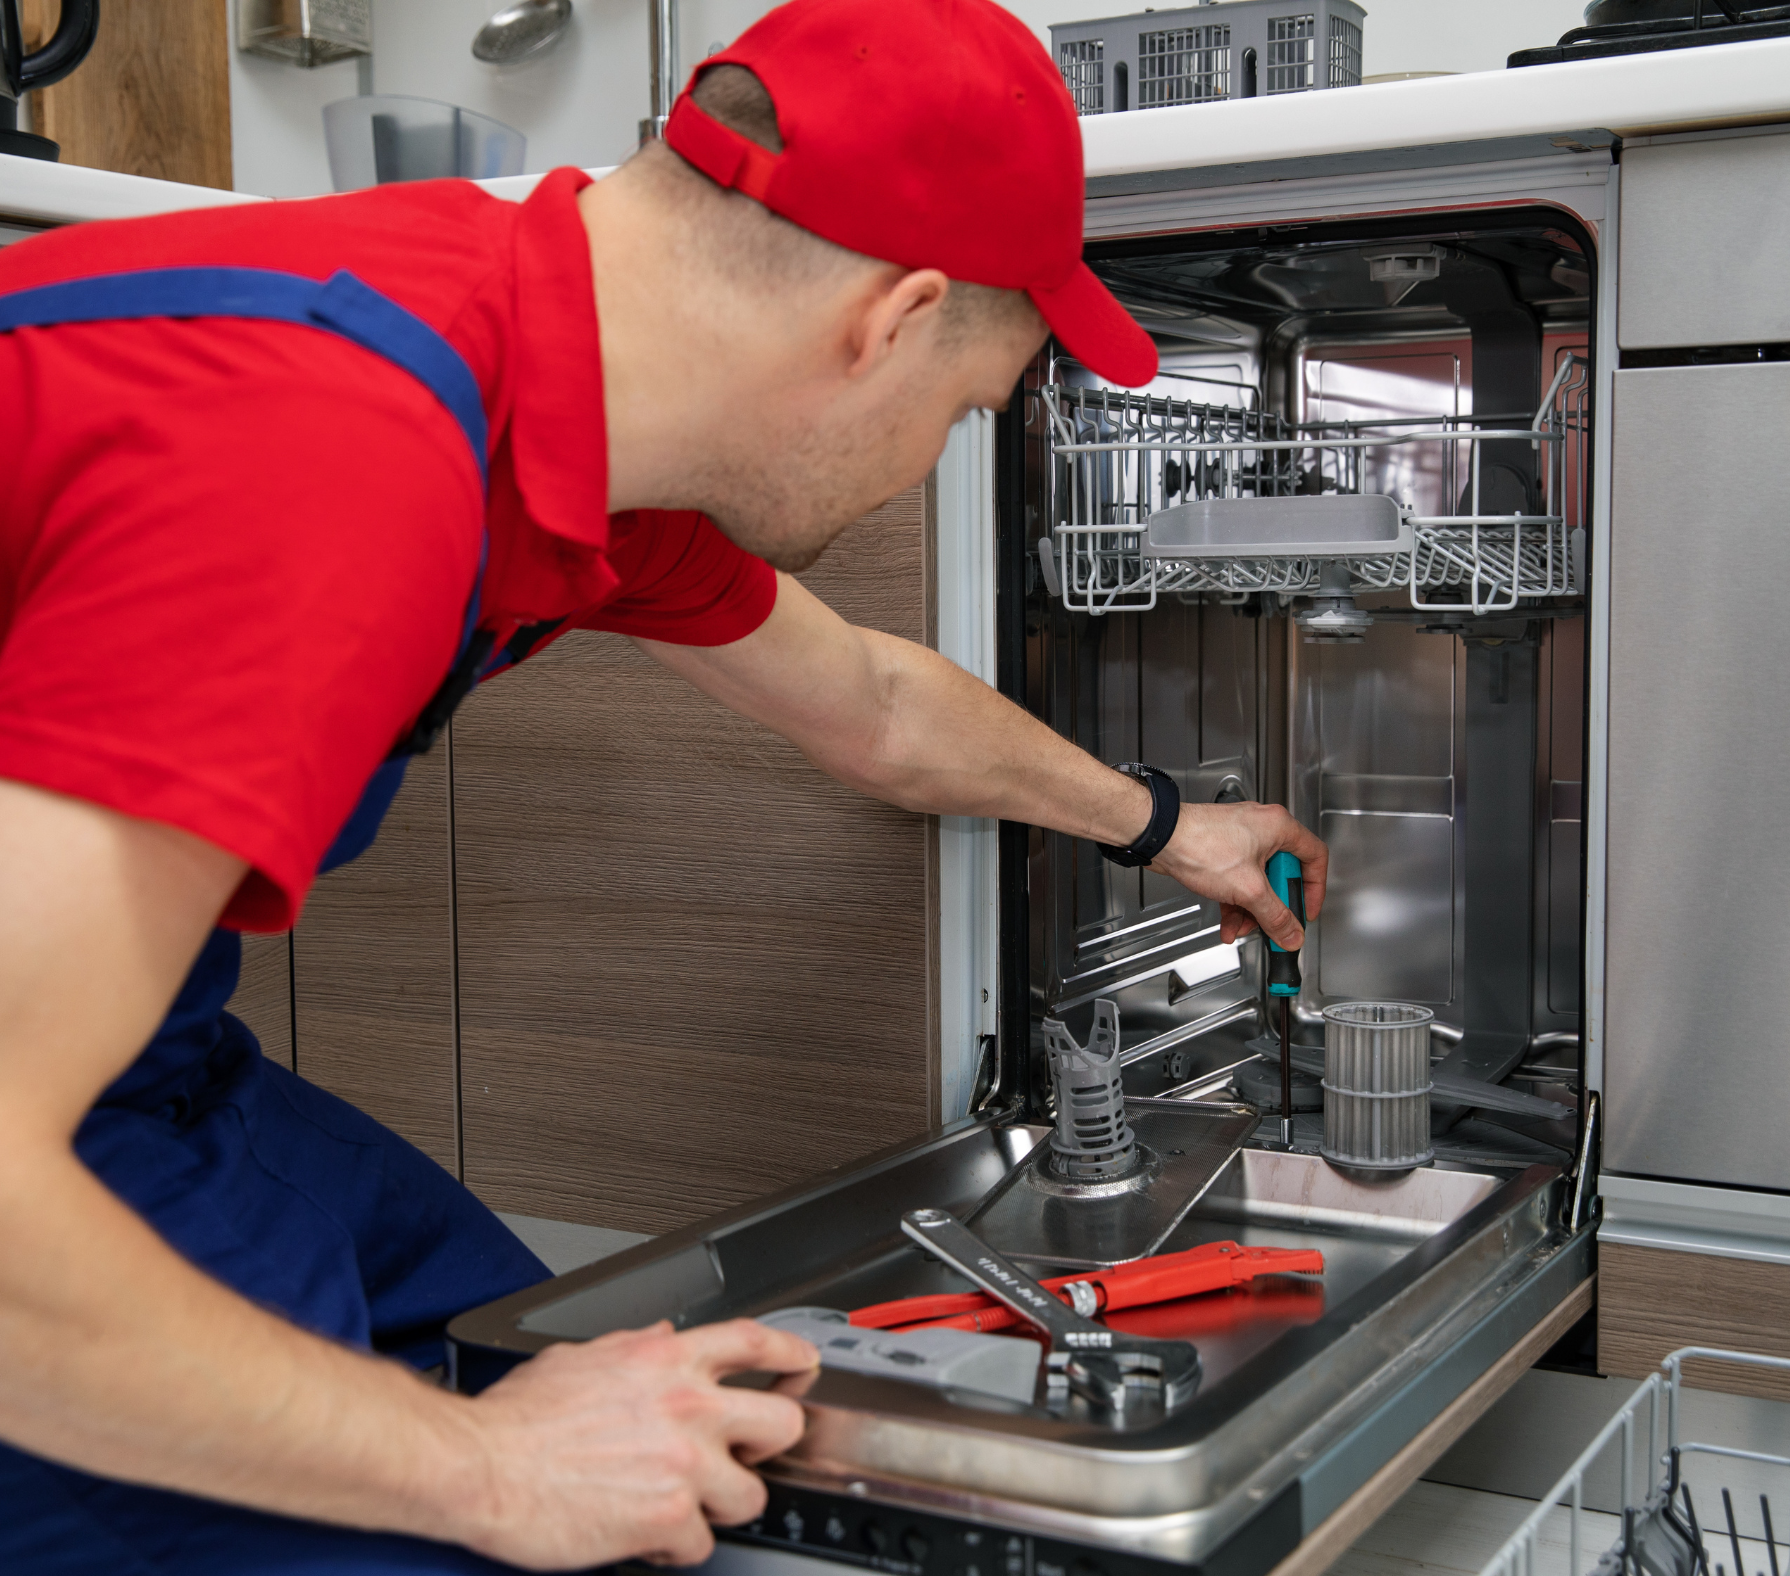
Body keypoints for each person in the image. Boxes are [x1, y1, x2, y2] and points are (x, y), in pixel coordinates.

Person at [0, 0, 1328, 1570]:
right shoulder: (340, 451)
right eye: (967, 417)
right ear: (887, 324)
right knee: (481, 1490)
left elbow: (879, 706)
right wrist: (495, 1475)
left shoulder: (560, 405)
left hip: (127, 1058)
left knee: (541, 1346)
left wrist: (1169, 827)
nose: (937, 459)